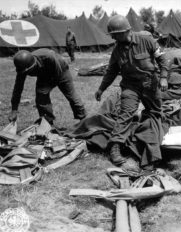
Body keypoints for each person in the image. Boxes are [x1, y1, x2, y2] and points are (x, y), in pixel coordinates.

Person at [94, 15, 168, 171]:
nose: (113, 37)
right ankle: (115, 147)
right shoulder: (117, 50)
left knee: (155, 113)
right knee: (126, 113)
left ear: (125, 31)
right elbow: (111, 71)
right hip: (130, 86)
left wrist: (163, 78)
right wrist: (101, 88)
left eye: (115, 34)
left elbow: (162, 60)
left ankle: (152, 147)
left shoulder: (146, 39)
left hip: (150, 84)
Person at [8, 49, 87, 125]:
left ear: (33, 65)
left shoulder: (48, 57)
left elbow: (58, 74)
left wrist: (48, 86)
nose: (27, 73)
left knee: (71, 95)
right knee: (41, 96)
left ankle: (83, 119)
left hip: (61, 70)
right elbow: (17, 89)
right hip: (44, 74)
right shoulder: (22, 67)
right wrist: (14, 110)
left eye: (29, 72)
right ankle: (47, 123)